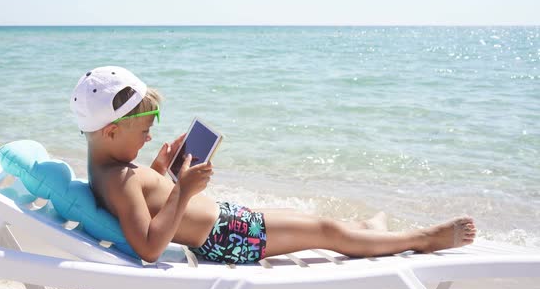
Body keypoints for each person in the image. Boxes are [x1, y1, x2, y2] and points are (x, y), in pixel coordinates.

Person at [70, 65, 477, 264]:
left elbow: (145, 204)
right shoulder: (119, 180)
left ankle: (370, 232)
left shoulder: (110, 170)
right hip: (228, 237)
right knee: (326, 231)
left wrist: (159, 169)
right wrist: (183, 190)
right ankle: (423, 239)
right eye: (144, 128)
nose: (149, 135)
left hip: (228, 223)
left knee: (311, 220)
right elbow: (149, 247)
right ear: (109, 132)